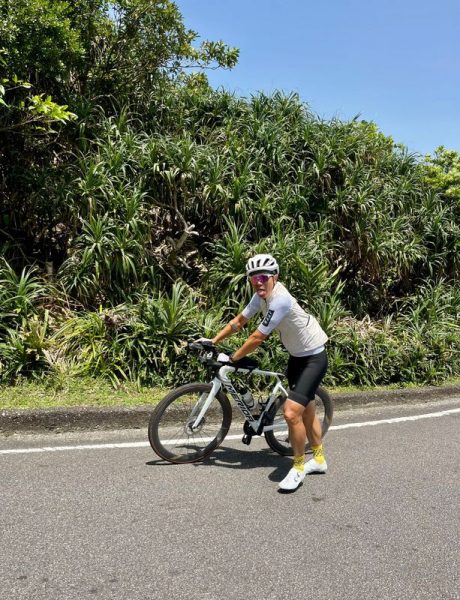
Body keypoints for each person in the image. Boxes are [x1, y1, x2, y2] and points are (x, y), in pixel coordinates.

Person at [200, 253, 329, 492]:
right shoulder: (260, 297)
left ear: (275, 277)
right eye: (253, 278)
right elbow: (240, 321)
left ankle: (298, 467)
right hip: (297, 357)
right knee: (308, 409)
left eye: (263, 277)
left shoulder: (280, 300)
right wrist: (213, 341)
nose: (258, 283)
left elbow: (258, 337)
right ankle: (319, 459)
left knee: (291, 413)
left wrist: (233, 358)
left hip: (314, 357)